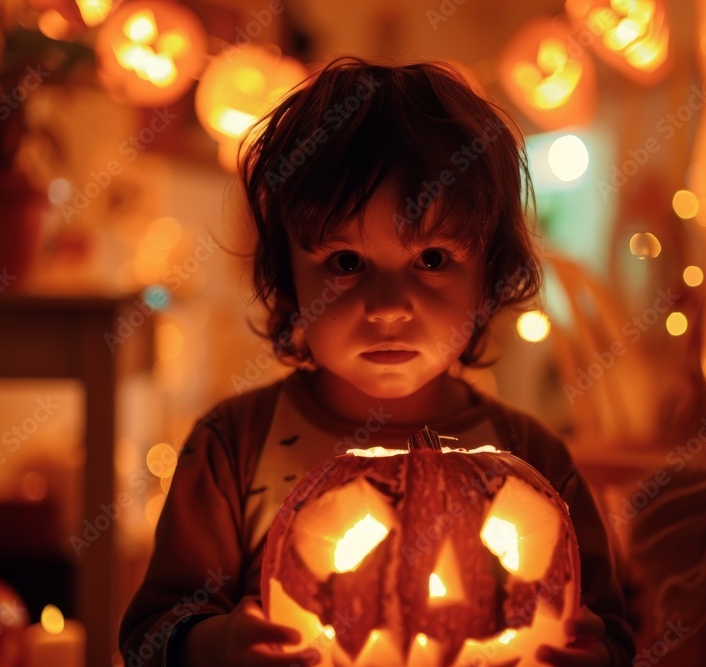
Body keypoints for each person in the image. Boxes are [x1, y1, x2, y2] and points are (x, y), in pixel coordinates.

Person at [120, 57, 634, 667]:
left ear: (489, 276)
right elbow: (150, 635)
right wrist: (216, 646)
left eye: (434, 259)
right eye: (345, 263)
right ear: (289, 280)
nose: (389, 307)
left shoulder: (534, 460)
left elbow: (614, 631)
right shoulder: (232, 448)